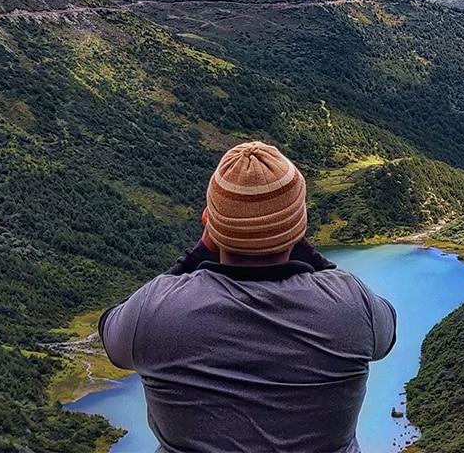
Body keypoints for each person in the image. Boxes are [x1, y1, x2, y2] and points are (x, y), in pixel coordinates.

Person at [99, 141, 397, 453]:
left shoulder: (155, 310)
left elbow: (111, 336)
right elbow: (387, 336)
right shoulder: (351, 304)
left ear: (211, 223)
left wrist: (197, 253)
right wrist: (303, 246)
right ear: (299, 226)